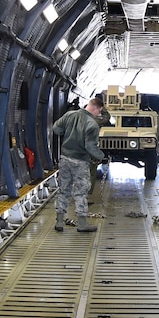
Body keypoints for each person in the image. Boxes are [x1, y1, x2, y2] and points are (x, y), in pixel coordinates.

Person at [51, 96, 104, 232]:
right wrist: (101, 156)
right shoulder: (92, 124)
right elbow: (90, 146)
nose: (99, 114)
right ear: (95, 108)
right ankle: (82, 223)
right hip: (80, 161)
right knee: (81, 192)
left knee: (64, 189)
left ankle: (59, 222)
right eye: (99, 111)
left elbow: (56, 129)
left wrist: (68, 134)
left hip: (65, 158)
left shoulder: (69, 115)